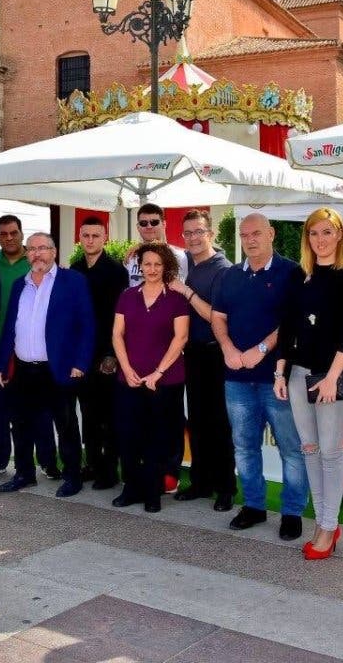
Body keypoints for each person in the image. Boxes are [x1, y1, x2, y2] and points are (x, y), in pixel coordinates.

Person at [275, 207, 343, 560]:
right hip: (299, 374)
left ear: (340, 236)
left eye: (327, 232)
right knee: (310, 450)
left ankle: (329, 526)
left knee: (330, 453)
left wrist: (332, 377)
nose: (320, 239)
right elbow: (287, 326)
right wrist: (280, 372)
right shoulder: (301, 275)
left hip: (332, 376)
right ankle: (322, 521)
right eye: (314, 233)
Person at [212, 212, 308, 539]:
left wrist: (261, 350)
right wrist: (227, 348)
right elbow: (218, 317)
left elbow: (293, 322)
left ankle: (292, 512)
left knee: (290, 448)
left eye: (256, 233)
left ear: (271, 234)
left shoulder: (291, 272)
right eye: (244, 235)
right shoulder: (231, 275)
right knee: (244, 447)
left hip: (276, 379)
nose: (250, 240)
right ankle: (253, 505)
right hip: (236, 378)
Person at [0, 233, 94, 498]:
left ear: (54, 251)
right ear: (27, 254)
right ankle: (25, 474)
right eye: (33, 249)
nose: (37, 254)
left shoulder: (73, 282)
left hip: (58, 368)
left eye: (43, 248)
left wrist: (81, 362)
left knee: (66, 425)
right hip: (24, 369)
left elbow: (87, 325)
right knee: (21, 424)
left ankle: (73, 477)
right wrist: (2, 363)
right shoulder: (19, 285)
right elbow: (10, 327)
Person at [111, 241, 189, 513]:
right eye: (147, 264)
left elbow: (181, 338)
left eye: (158, 264)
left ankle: (153, 492)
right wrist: (126, 367)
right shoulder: (127, 296)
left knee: (159, 438)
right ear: (139, 267)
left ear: (166, 266)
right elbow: (117, 335)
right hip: (129, 379)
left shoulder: (177, 299)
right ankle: (131, 488)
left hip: (165, 382)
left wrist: (158, 373)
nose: (152, 269)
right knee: (129, 436)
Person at [169, 209, 235, 512]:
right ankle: (200, 482)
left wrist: (187, 292)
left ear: (211, 234)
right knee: (196, 420)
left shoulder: (223, 269)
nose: (193, 237)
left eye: (199, 231)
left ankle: (225, 488)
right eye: (188, 233)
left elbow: (215, 316)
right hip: (193, 352)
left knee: (219, 422)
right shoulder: (188, 264)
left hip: (216, 353)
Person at [0, 214, 58, 479]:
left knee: (40, 410)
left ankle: (48, 461)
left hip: (33, 350)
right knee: (1, 407)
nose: (9, 238)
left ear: (21, 235)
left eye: (13, 233)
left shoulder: (37, 265)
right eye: (3, 233)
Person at [124, 202, 188, 493]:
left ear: (164, 222)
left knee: (170, 418)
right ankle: (145, 473)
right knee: (142, 421)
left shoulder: (179, 256)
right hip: (139, 349)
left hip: (172, 345)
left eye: (153, 222)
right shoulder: (131, 258)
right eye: (143, 223)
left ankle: (170, 472)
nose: (149, 227)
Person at [73, 217, 129, 490]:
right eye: (86, 235)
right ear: (80, 238)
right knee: (88, 413)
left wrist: (112, 355)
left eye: (96, 235)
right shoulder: (75, 270)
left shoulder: (116, 271)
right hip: (82, 354)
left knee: (109, 416)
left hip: (107, 353)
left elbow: (118, 318)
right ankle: (92, 464)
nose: (91, 240)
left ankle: (109, 470)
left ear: (105, 237)